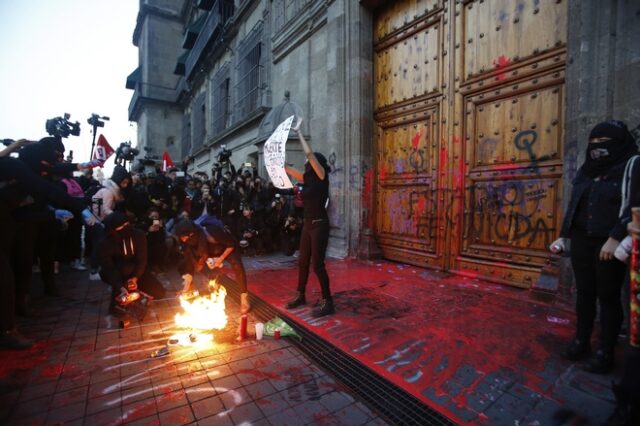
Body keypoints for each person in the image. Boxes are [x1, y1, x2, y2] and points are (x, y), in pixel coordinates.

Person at [550, 120, 638, 373]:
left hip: (607, 242)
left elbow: (634, 203)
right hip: (581, 239)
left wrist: (615, 236)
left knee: (608, 296)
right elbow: (575, 202)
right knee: (584, 293)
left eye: (604, 142)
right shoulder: (586, 169)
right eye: (594, 142)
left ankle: (605, 352)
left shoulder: (631, 165)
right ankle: (581, 341)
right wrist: (564, 236)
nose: (598, 147)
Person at [283, 118, 334, 317]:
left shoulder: (322, 175)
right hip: (308, 224)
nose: (306, 163)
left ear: (317, 164)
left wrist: (299, 133)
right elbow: (290, 171)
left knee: (318, 265)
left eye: (309, 162)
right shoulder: (308, 178)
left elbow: (310, 155)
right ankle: (300, 295)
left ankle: (328, 301)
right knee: (303, 261)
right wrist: (282, 164)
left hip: (320, 225)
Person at [173, 218, 250, 314]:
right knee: (182, 265)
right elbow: (189, 265)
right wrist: (185, 288)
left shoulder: (212, 233)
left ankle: (244, 298)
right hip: (211, 252)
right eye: (181, 238)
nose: (183, 240)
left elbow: (231, 244)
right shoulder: (188, 244)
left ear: (192, 234)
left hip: (227, 247)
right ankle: (190, 289)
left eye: (184, 237)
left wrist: (220, 259)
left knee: (237, 265)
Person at [97, 212, 166, 315]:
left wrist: (135, 278)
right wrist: (119, 286)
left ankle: (133, 289)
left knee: (158, 292)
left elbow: (142, 260)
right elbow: (108, 268)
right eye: (122, 227)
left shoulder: (138, 235)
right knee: (120, 309)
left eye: (126, 224)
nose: (126, 228)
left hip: (135, 271)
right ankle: (120, 294)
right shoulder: (105, 242)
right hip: (116, 272)